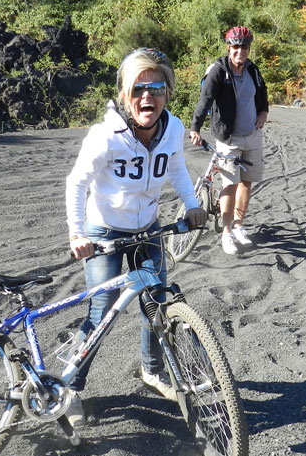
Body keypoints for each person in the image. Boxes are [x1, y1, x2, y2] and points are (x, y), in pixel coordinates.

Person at [65, 48, 207, 428]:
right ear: (125, 93)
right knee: (102, 310)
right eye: (139, 88)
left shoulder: (173, 128)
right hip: (104, 229)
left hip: (147, 228)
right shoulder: (105, 136)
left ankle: (152, 370)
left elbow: (175, 166)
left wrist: (192, 203)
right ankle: (69, 390)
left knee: (157, 300)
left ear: (168, 93)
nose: (148, 97)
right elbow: (77, 183)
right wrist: (77, 232)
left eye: (157, 88)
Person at [190, 26, 269, 256]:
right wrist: (195, 127)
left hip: (252, 136)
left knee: (246, 182)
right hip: (229, 138)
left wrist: (263, 112)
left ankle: (238, 225)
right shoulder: (219, 70)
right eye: (236, 46)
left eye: (244, 46)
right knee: (229, 184)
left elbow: (262, 93)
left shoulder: (253, 70)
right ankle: (226, 233)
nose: (240, 51)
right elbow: (205, 99)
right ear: (228, 48)